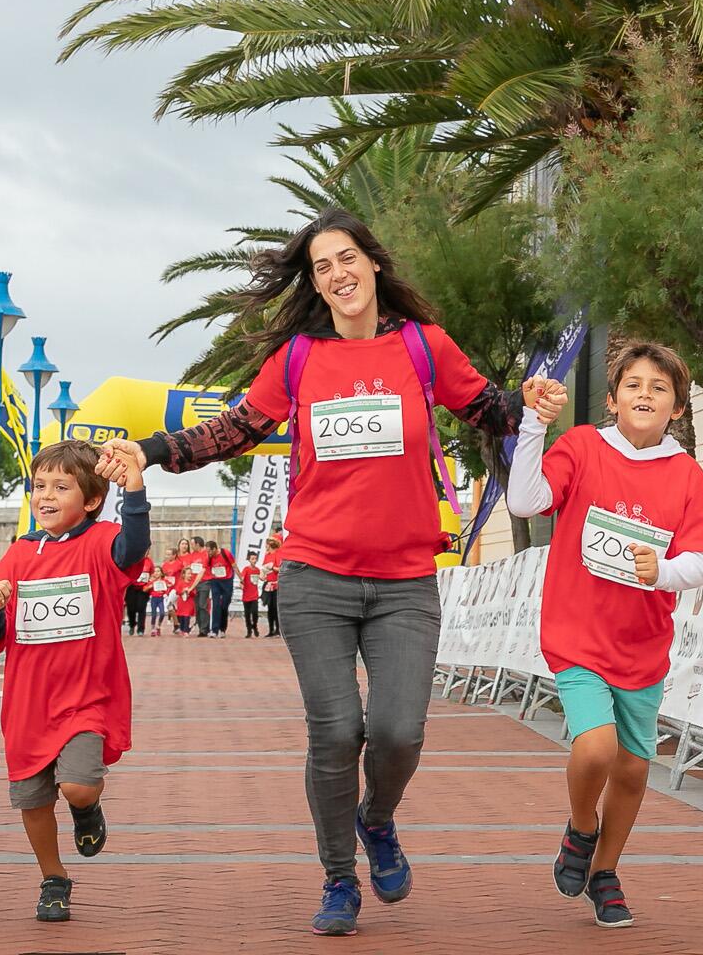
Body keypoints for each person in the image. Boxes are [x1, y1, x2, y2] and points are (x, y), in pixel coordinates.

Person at [98, 207, 520, 936]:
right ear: (315, 283)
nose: (338, 274)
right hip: (316, 577)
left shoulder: (424, 348)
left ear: (374, 263)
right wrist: (153, 449)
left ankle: (376, 819)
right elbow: (232, 430)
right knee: (334, 733)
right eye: (322, 266)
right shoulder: (298, 358)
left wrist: (530, 406)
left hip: (404, 582)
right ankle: (337, 879)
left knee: (397, 733)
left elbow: (489, 410)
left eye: (347, 258)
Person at [507, 345, 703, 929]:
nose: (645, 394)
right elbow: (526, 501)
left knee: (630, 770)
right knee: (595, 748)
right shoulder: (583, 447)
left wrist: (665, 571)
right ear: (612, 398)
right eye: (632, 384)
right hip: (577, 635)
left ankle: (605, 872)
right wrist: (533, 425)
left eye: (659, 387)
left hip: (643, 646)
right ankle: (581, 827)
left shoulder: (686, 474)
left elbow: (700, 561)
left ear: (677, 406)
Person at [0, 440, 151, 924]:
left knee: (76, 787)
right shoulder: (19, 553)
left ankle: (87, 809)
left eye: (60, 486)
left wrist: (133, 487)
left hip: (86, 697)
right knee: (33, 802)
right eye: (38, 486)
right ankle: (54, 878)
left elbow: (134, 546)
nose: (45, 496)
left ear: (91, 500)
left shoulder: (104, 542)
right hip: (28, 704)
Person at [207, 540, 236, 637]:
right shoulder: (209, 557)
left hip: (227, 581)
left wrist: (241, 579)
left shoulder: (225, 553)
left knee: (224, 605)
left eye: (210, 551)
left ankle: (222, 629)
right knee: (216, 605)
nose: (208, 553)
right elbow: (206, 568)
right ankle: (214, 630)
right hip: (215, 582)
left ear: (215, 549)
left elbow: (234, 566)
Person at [126, 554, 155, 636]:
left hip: (143, 588)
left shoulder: (149, 561)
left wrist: (149, 584)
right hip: (131, 587)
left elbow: (152, 575)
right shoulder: (131, 560)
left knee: (141, 608)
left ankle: (140, 629)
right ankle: (132, 624)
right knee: (131, 608)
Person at [262, 536, 283, 637]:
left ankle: (278, 630)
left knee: (276, 607)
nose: (265, 546)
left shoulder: (278, 554)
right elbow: (264, 569)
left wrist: (273, 568)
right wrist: (262, 575)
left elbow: (280, 569)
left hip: (276, 584)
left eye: (267, 543)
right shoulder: (267, 556)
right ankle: (271, 630)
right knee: (270, 608)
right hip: (268, 584)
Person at [239, 553, 264, 637]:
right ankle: (249, 630)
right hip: (246, 596)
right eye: (252, 559)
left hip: (254, 595)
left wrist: (264, 576)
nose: (254, 560)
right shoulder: (246, 569)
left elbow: (262, 577)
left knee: (255, 612)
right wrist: (241, 583)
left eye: (255, 559)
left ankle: (255, 626)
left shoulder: (257, 569)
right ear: (249, 560)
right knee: (247, 614)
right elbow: (242, 577)